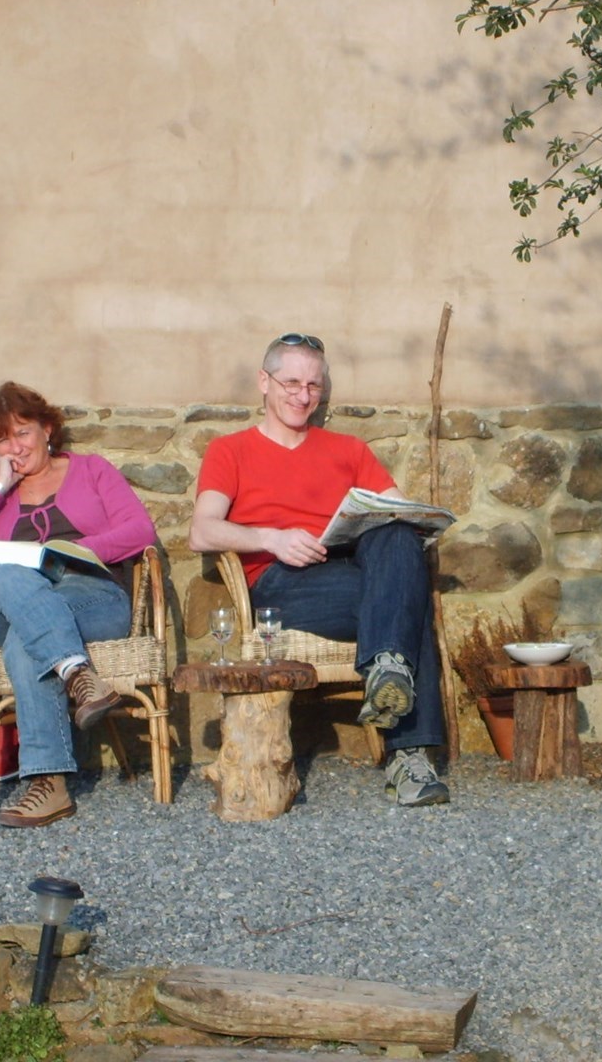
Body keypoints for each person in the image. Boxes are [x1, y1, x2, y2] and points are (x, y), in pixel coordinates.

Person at [188, 334, 450, 806]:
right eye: (291, 382)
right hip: (281, 583)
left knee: (396, 535)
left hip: (349, 571)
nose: (303, 395)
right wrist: (272, 538)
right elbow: (202, 532)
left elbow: (400, 511)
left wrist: (422, 524)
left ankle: (388, 670)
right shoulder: (230, 450)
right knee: (408, 603)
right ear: (264, 382)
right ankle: (409, 756)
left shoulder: (348, 449)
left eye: (313, 385)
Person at [0, 380, 156, 828]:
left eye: (23, 432)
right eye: (2, 439)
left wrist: (75, 551)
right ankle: (78, 673)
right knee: (7, 575)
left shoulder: (91, 471)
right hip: (12, 601)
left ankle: (48, 784)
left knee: (25, 643)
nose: (15, 447)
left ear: (47, 430)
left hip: (93, 599)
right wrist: (0, 486)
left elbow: (140, 532)